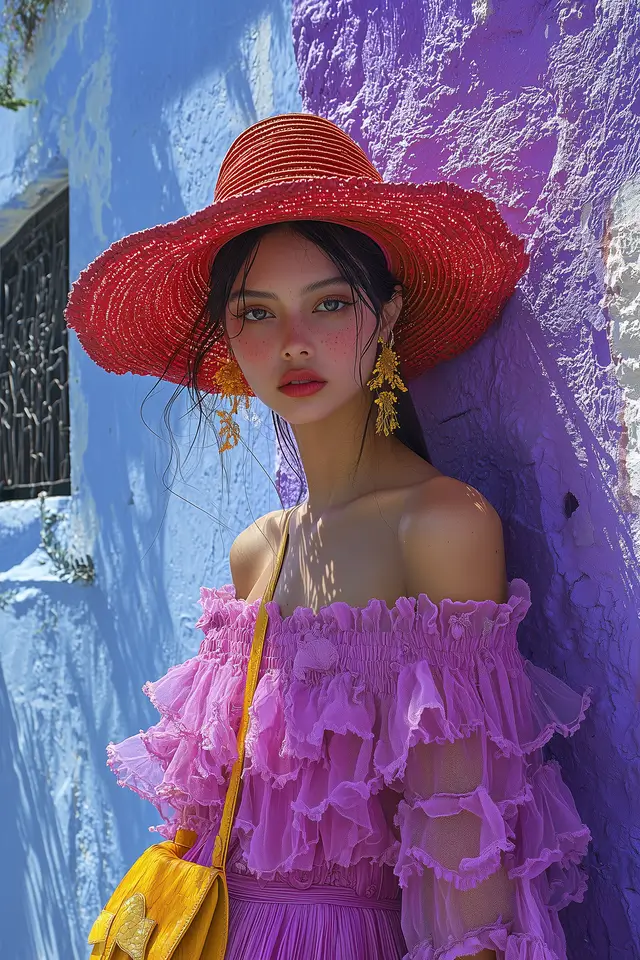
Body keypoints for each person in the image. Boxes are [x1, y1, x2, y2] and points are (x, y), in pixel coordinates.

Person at [66, 113, 591, 960]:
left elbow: (466, 891)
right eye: (258, 312)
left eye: (331, 302)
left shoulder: (442, 527)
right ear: (229, 340)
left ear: (386, 318)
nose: (294, 342)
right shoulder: (255, 554)